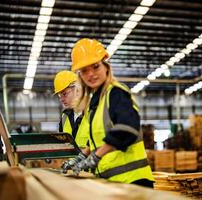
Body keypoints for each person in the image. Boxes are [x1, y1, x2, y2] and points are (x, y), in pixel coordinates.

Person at [61, 38, 154, 188]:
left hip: (133, 182)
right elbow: (96, 141)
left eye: (95, 67)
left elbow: (126, 129)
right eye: (85, 70)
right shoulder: (96, 102)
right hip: (114, 183)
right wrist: (80, 158)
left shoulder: (116, 93)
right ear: (80, 76)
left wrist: (96, 157)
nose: (91, 74)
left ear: (106, 67)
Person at [54, 70, 89, 149]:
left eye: (64, 94)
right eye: (60, 96)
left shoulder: (93, 112)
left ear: (77, 90)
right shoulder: (65, 116)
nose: (61, 99)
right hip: (70, 161)